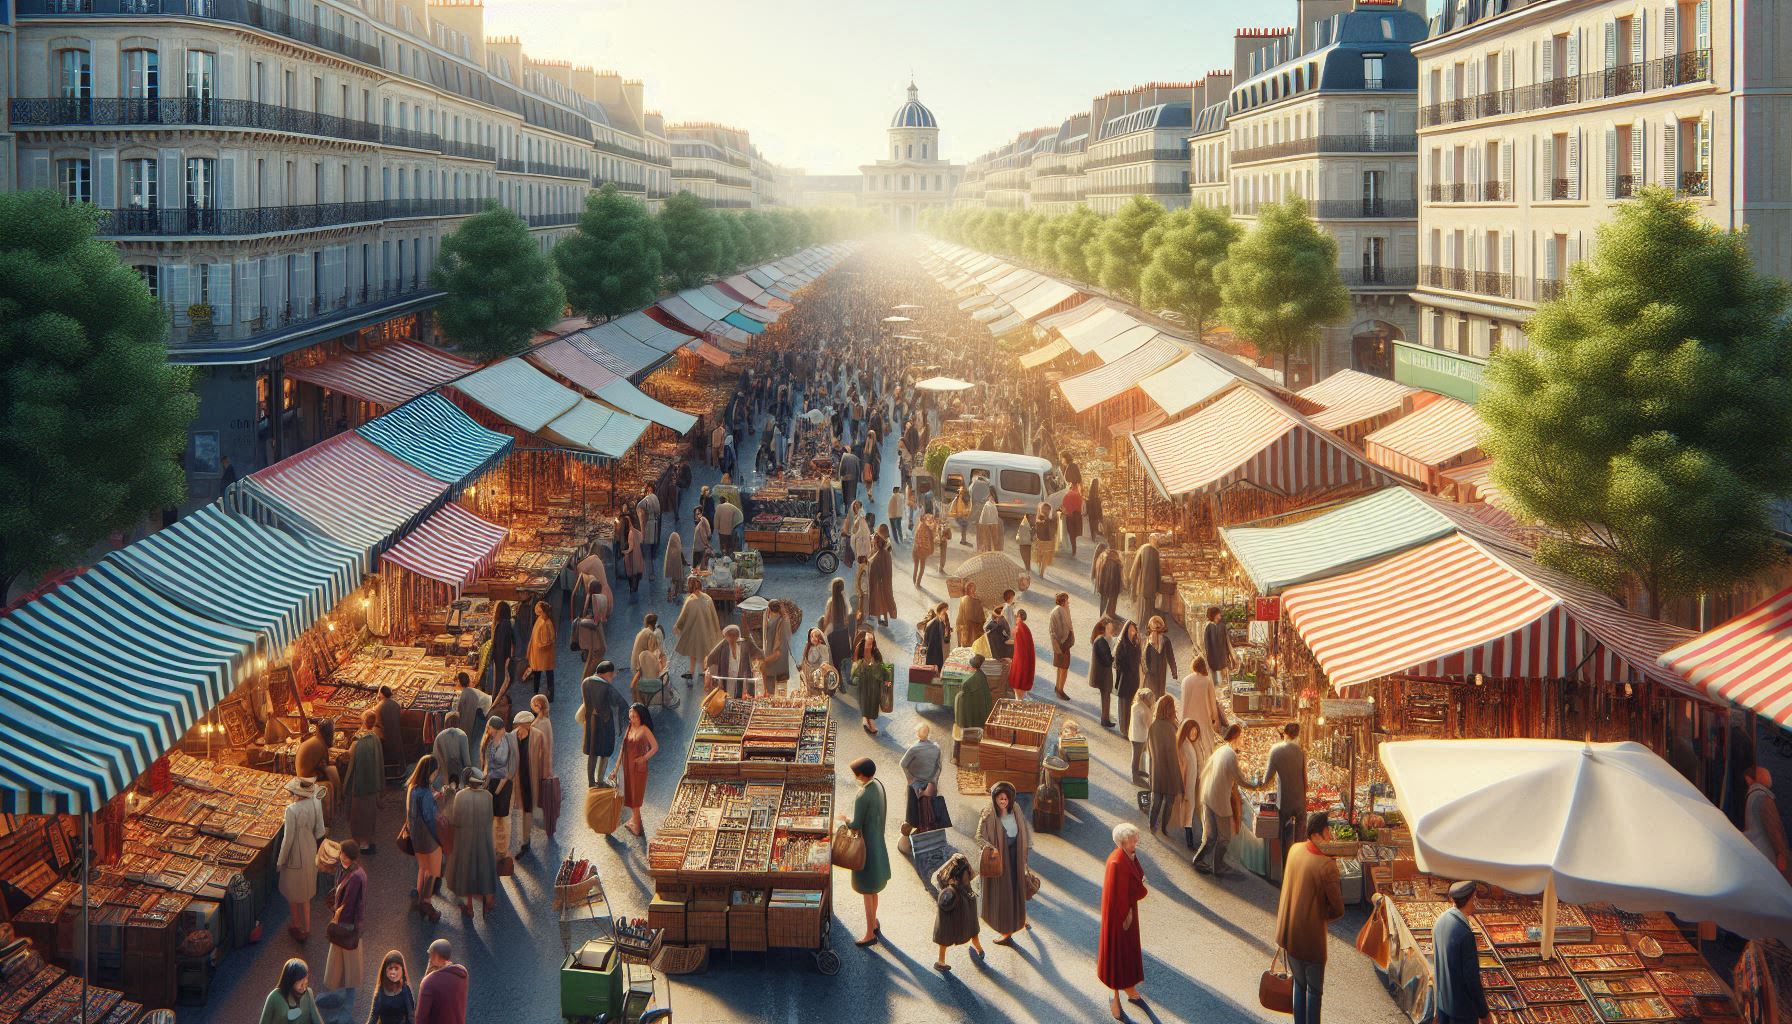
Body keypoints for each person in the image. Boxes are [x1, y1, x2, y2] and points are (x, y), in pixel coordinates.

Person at [1277, 812, 1346, 1024]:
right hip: (1311, 940)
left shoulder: (1295, 849)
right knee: (1314, 992)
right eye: (1328, 831)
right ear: (1318, 834)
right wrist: (1319, 916)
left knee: (1299, 984)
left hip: (1289, 932)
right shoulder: (1326, 866)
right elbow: (1338, 909)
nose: (1331, 835)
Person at [1194, 723, 1266, 877]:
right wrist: (1256, 786)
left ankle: (1200, 860)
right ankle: (1217, 866)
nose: (1243, 740)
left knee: (1212, 835)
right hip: (1218, 799)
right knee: (1224, 837)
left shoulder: (1221, 750)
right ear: (1236, 737)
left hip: (1209, 796)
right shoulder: (1230, 754)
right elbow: (1240, 779)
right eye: (1242, 737)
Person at [1098, 822, 1148, 1021]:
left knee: (1126, 953)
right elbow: (1120, 896)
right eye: (1132, 839)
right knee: (1118, 954)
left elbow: (1135, 874)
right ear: (1122, 842)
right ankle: (1114, 993)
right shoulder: (1117, 862)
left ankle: (1127, 987)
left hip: (1125, 914)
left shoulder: (1126, 855)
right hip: (1120, 919)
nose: (1136, 842)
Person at [976, 781, 1033, 944]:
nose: (1003, 802)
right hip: (1001, 863)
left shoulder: (1015, 809)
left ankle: (1017, 923)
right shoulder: (988, 813)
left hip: (1015, 858)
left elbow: (1024, 831)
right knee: (1005, 897)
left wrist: (1024, 856)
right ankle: (1007, 930)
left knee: (1016, 893)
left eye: (1006, 799)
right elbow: (979, 836)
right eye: (1000, 799)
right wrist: (991, 848)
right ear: (995, 799)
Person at [841, 757, 889, 946]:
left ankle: (870, 933)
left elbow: (855, 825)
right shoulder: (878, 785)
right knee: (874, 890)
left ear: (861, 775)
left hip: (866, 848)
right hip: (877, 844)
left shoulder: (863, 795)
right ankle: (874, 923)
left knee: (867, 893)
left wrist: (845, 819)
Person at [277, 777, 327, 942]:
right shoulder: (315, 802)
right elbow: (320, 829)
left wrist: (281, 860)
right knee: (306, 891)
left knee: (293, 890)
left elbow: (288, 839)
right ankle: (307, 927)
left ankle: (296, 923)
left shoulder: (292, 810)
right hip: (310, 847)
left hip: (295, 853)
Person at [1433, 880, 1489, 1024]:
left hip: (1443, 1003)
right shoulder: (1464, 934)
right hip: (1461, 1011)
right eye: (1474, 898)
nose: (1475, 902)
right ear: (1472, 898)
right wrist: (1483, 1013)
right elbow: (1472, 979)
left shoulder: (1440, 920)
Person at [443, 770, 496, 917]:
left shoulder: (460, 796)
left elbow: (456, 820)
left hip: (465, 841)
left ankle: (470, 907)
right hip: (483, 840)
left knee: (467, 873)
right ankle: (487, 902)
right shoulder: (488, 797)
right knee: (483, 871)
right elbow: (490, 818)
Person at [322, 842, 367, 1007]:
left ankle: (347, 1004)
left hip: (348, 925)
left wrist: (337, 923)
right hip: (344, 923)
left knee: (350, 965)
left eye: (342, 853)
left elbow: (349, 905)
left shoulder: (355, 877)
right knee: (338, 962)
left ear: (347, 857)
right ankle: (337, 994)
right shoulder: (347, 869)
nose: (339, 855)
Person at [1263, 723, 1309, 867]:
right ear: (1297, 734)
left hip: (1284, 802)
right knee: (1300, 839)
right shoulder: (1301, 751)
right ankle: (1299, 867)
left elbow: (1266, 779)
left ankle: (1286, 869)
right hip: (1300, 801)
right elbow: (1305, 781)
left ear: (1284, 734)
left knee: (1284, 837)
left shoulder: (1275, 750)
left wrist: (1257, 785)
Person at [931, 852, 984, 971]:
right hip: (966, 907)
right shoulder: (969, 885)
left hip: (953, 909)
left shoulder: (950, 886)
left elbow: (939, 879)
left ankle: (941, 961)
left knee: (945, 936)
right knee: (973, 930)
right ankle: (979, 949)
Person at [406, 757, 444, 921]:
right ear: (429, 772)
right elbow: (429, 818)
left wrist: (432, 798)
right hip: (428, 839)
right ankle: (427, 904)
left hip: (416, 837)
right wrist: (440, 838)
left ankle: (419, 900)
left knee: (422, 868)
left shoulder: (413, 788)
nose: (435, 776)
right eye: (435, 773)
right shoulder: (426, 792)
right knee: (433, 872)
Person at [582, 661, 630, 786]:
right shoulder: (607, 687)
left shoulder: (586, 682)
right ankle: (600, 780)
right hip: (604, 724)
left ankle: (591, 782)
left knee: (592, 753)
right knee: (605, 753)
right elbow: (620, 703)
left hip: (590, 724)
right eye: (612, 674)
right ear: (607, 674)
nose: (613, 677)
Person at [511, 710, 552, 857]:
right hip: (515, 779)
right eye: (526, 723)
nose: (528, 725)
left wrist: (546, 774)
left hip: (531, 777)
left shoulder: (537, 736)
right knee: (518, 810)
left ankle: (525, 841)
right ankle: (520, 841)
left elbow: (545, 756)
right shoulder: (511, 736)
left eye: (528, 723)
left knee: (528, 809)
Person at [344, 711, 384, 854]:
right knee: (369, 816)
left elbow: (348, 760)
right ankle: (368, 842)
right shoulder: (376, 739)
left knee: (358, 817)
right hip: (372, 785)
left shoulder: (357, 742)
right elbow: (379, 762)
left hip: (358, 786)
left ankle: (360, 845)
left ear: (363, 722)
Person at [617, 703, 659, 836]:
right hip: (627, 765)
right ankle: (636, 819)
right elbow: (623, 748)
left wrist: (644, 758)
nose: (632, 718)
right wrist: (616, 767)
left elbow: (655, 747)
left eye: (635, 716)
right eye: (631, 716)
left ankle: (636, 826)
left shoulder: (645, 729)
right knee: (630, 794)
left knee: (635, 796)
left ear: (641, 716)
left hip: (638, 768)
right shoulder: (630, 727)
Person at [480, 716, 517, 860]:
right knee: (491, 818)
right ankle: (493, 848)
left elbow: (511, 767)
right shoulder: (488, 742)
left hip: (504, 783)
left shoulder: (508, 740)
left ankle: (502, 850)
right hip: (491, 782)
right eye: (490, 730)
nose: (490, 732)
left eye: (493, 730)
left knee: (503, 818)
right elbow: (485, 766)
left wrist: (498, 788)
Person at [1146, 694, 1184, 835]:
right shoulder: (1171, 728)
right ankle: (1164, 828)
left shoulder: (1153, 726)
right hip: (1171, 771)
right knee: (1169, 802)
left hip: (1157, 769)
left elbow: (1150, 751)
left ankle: (1151, 824)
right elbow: (1174, 754)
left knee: (1156, 801)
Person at [673, 576, 722, 682]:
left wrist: (678, 626)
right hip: (706, 630)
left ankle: (691, 672)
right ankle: (705, 670)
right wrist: (716, 628)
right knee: (705, 650)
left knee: (693, 651)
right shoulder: (708, 598)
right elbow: (713, 614)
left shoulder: (690, 601)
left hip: (694, 630)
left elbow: (683, 616)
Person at [1746, 766, 1790, 877]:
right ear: (1750, 779)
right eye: (1765, 774)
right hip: (1768, 854)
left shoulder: (1752, 796)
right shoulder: (1761, 796)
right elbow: (1775, 830)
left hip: (1757, 854)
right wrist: (1783, 855)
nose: (1769, 778)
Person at [899, 722, 944, 833]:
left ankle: (911, 823)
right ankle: (925, 825)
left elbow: (903, 764)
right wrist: (934, 781)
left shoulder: (914, 748)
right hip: (930, 782)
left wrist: (910, 778)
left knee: (912, 804)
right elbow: (939, 767)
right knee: (929, 806)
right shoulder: (936, 748)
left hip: (916, 782)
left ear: (917, 734)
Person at [1175, 718, 1211, 851]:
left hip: (1193, 782)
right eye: (1192, 733)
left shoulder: (1190, 744)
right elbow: (1182, 768)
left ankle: (1191, 838)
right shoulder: (1184, 746)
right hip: (1187, 785)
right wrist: (1183, 788)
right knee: (1188, 813)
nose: (1194, 736)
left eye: (1196, 733)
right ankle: (1189, 841)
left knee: (1190, 812)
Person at [415, 940, 468, 1024]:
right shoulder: (462, 973)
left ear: (435, 956)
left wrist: (428, 975)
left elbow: (421, 1018)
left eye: (430, 954)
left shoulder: (429, 981)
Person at [705, 624, 762, 699]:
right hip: (727, 678)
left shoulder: (743, 644)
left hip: (741, 679)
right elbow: (710, 658)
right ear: (726, 636)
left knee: (740, 697)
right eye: (729, 635)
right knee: (726, 697)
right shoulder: (723, 645)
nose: (732, 638)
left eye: (734, 635)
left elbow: (757, 652)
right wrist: (709, 673)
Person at [259, 959, 324, 1024]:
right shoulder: (274, 997)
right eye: (301, 985)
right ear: (291, 981)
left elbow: (316, 1019)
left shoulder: (309, 993)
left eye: (306, 984)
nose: (304, 988)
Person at [851, 632, 888, 736]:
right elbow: (855, 663)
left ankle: (871, 720)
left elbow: (881, 664)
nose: (869, 646)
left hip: (873, 681)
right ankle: (865, 718)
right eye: (868, 643)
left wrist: (876, 667)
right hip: (863, 680)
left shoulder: (876, 652)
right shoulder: (859, 649)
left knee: (873, 700)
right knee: (864, 699)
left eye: (871, 644)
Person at [366, 950, 415, 1024]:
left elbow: (411, 1016)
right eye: (390, 968)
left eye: (396, 968)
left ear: (402, 970)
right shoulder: (381, 991)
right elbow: (374, 1017)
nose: (393, 972)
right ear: (385, 971)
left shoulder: (405, 989)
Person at [1115, 620, 1142, 741]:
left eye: (1134, 629)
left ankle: (1129, 729)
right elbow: (1119, 663)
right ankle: (1124, 730)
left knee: (1131, 705)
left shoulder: (1136, 645)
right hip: (1125, 679)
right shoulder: (1122, 645)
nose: (1132, 631)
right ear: (1126, 630)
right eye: (1130, 629)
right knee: (1124, 705)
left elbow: (1138, 661)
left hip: (1134, 679)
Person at [431, 713, 471, 795]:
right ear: (459, 723)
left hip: (442, 781)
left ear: (445, 723)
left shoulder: (439, 736)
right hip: (459, 780)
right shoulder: (462, 735)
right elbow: (467, 762)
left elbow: (435, 760)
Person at [526, 600, 557, 701]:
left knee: (548, 672)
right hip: (538, 653)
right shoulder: (539, 620)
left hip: (545, 653)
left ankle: (550, 694)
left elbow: (552, 638)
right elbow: (533, 635)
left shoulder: (548, 623)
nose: (538, 614)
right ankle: (535, 693)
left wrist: (542, 644)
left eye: (540, 612)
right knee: (538, 673)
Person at [1127, 535, 1162, 624]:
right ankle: (1148, 625)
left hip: (1143, 585)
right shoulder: (1155, 552)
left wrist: (1133, 583)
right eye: (1155, 540)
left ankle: (1142, 624)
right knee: (1149, 608)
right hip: (1151, 586)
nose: (1156, 542)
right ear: (1151, 540)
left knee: (1143, 608)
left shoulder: (1142, 549)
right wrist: (1158, 588)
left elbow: (1135, 569)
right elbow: (1158, 572)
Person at [760, 599, 793, 692]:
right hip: (777, 665)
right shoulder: (781, 620)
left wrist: (765, 661)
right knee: (779, 697)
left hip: (774, 664)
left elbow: (779, 651)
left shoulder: (781, 622)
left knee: (773, 695)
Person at [1130, 675, 1157, 784]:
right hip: (1140, 737)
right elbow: (1149, 725)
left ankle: (1137, 774)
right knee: (1136, 758)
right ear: (1146, 699)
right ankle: (1135, 777)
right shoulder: (1144, 710)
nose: (1152, 701)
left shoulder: (1136, 706)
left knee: (1136, 756)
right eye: (1150, 699)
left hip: (1134, 735)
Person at [1090, 618, 1117, 728]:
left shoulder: (1102, 640)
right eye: (1109, 628)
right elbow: (1108, 660)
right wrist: (1114, 653)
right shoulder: (1101, 641)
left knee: (1106, 697)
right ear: (1104, 629)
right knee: (1106, 696)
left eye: (1111, 628)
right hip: (1103, 675)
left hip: (1103, 674)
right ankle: (1105, 720)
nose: (1111, 630)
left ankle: (1105, 718)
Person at [867, 529, 897, 627]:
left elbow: (875, 570)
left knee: (880, 603)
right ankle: (883, 620)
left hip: (879, 584)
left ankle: (882, 620)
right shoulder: (886, 554)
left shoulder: (879, 556)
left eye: (875, 543)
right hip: (884, 584)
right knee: (883, 603)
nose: (874, 545)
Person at [376, 685, 406, 778]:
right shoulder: (396, 704)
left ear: (381, 694)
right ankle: (399, 772)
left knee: (388, 756)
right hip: (396, 734)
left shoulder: (379, 706)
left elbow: (378, 722)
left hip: (386, 735)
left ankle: (389, 774)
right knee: (397, 754)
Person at [1142, 616, 1178, 694]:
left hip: (1161, 671)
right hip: (1150, 673)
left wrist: (1174, 671)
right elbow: (1144, 657)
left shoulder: (1165, 641)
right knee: (1150, 693)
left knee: (1160, 692)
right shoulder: (1147, 641)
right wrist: (1146, 670)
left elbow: (1170, 657)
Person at [1048, 592, 1074, 701]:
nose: (1068, 602)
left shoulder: (1059, 610)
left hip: (1059, 644)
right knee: (1063, 668)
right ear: (1063, 601)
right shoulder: (1060, 611)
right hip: (1062, 645)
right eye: (1067, 600)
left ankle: (1058, 687)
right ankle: (1060, 690)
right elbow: (1064, 629)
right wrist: (1065, 643)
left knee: (1060, 668)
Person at [1201, 605, 1233, 691]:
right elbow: (1207, 645)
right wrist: (1208, 657)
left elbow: (1226, 642)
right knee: (1214, 682)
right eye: (1219, 614)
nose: (1220, 615)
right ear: (1215, 615)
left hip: (1222, 657)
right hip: (1213, 658)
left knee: (1223, 681)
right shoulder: (1208, 627)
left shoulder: (1222, 626)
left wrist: (1228, 655)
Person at [797, 627, 835, 695]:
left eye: (815, 636)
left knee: (816, 694)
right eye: (811, 637)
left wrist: (819, 670)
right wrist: (801, 666)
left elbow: (825, 661)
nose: (813, 638)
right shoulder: (809, 647)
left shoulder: (822, 647)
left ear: (819, 638)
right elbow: (805, 659)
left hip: (818, 674)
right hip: (808, 673)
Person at [1008, 607, 1037, 696]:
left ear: (1019, 616)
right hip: (1023, 655)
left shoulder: (1019, 627)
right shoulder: (1024, 627)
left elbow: (1017, 641)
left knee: (1018, 676)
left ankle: (1018, 698)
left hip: (1020, 655)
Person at [454, 674, 488, 742]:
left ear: (459, 682)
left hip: (485, 713)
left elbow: (464, 714)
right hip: (481, 711)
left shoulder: (467, 694)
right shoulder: (468, 691)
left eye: (457, 681)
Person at [1097, 542, 1124, 620]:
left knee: (1103, 601)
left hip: (1104, 585)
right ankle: (1109, 616)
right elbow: (1120, 575)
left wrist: (1100, 585)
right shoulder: (1117, 559)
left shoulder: (1103, 556)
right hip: (1113, 585)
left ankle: (1101, 617)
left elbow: (1099, 572)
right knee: (1112, 602)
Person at [637, 485, 661, 572]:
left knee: (648, 544)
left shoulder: (646, 499)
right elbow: (658, 511)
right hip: (653, 523)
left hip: (649, 523)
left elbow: (639, 507)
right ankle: (652, 557)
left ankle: (649, 564)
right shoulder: (655, 499)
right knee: (652, 543)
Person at [956, 580, 984, 649]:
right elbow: (969, 615)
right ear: (967, 589)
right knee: (969, 643)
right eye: (971, 587)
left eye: (973, 587)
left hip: (975, 626)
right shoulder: (965, 599)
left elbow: (980, 613)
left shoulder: (976, 600)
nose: (973, 589)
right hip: (969, 625)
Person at [922, 602, 950, 670]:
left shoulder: (941, 622)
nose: (945, 615)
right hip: (932, 652)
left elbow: (944, 637)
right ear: (938, 612)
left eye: (946, 613)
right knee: (932, 671)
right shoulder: (932, 624)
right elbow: (926, 640)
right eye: (944, 613)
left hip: (938, 651)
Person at [1034, 502, 1058, 578]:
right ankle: (1041, 569)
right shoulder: (1041, 518)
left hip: (1047, 540)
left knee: (1044, 556)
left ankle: (1041, 572)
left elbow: (1055, 529)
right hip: (1043, 539)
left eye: (1047, 510)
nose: (1045, 511)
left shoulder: (1052, 518)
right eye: (1044, 509)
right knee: (1041, 556)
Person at [911, 509, 936, 586]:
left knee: (916, 566)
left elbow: (915, 538)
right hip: (922, 551)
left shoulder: (919, 525)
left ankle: (914, 581)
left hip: (915, 550)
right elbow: (931, 540)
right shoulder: (928, 530)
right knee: (922, 568)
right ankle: (918, 583)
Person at [662, 529, 687, 603]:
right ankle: (675, 594)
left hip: (671, 569)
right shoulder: (678, 549)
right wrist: (685, 563)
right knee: (677, 580)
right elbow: (682, 557)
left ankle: (671, 594)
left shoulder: (669, 549)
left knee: (673, 581)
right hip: (677, 569)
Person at [1062, 481, 1084, 556]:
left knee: (1071, 534)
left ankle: (1073, 549)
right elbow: (1081, 506)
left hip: (1069, 516)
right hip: (1077, 516)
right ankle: (1075, 548)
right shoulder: (1078, 495)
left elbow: (1064, 506)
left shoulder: (1067, 495)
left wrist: (1066, 512)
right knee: (1076, 533)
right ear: (1076, 487)